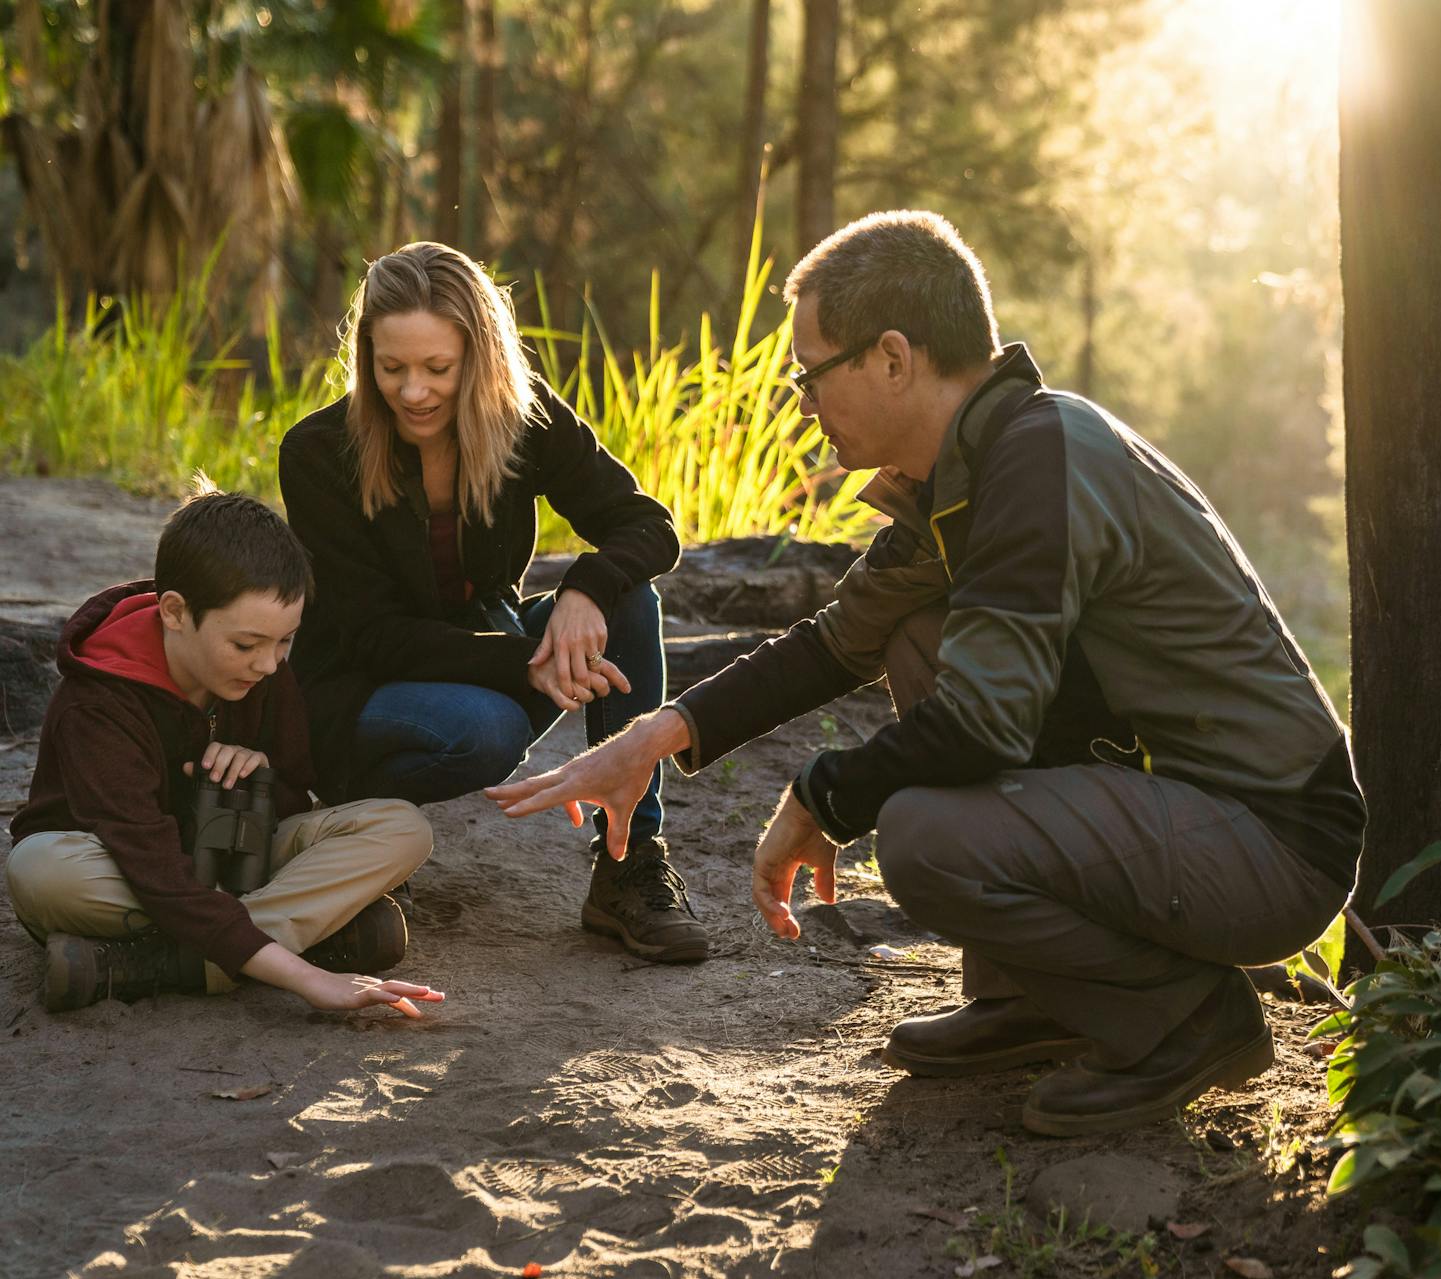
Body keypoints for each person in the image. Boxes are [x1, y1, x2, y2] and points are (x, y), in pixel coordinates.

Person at [487, 210, 1365, 1136]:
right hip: (1183, 807)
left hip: (1269, 841)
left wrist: (823, 797)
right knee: (916, 634)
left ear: (894, 358)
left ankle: (1189, 1021)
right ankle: (1035, 998)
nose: (804, 404)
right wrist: (652, 740)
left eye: (812, 375)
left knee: (921, 837)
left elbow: (986, 723)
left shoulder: (1040, 458)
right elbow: (838, 642)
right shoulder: (970, 471)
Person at [278, 241, 707, 963]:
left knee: (630, 604)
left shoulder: (524, 418)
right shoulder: (319, 451)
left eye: (437, 369)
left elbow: (649, 526)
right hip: (362, 687)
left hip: (491, 648)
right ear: (366, 358)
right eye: (392, 368)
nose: (413, 391)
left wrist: (583, 590)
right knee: (487, 730)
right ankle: (360, 829)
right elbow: (372, 635)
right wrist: (527, 664)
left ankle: (629, 862)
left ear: (478, 358)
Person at [6, 490, 441, 1016]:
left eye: (285, 642)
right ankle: (291, 942)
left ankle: (170, 964)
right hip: (123, 869)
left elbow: (292, 801)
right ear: (174, 612)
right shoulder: (97, 705)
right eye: (246, 645)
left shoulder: (263, 670)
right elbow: (149, 862)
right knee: (41, 868)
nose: (268, 664)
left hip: (238, 868)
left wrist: (263, 772)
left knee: (403, 828)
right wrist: (307, 979)